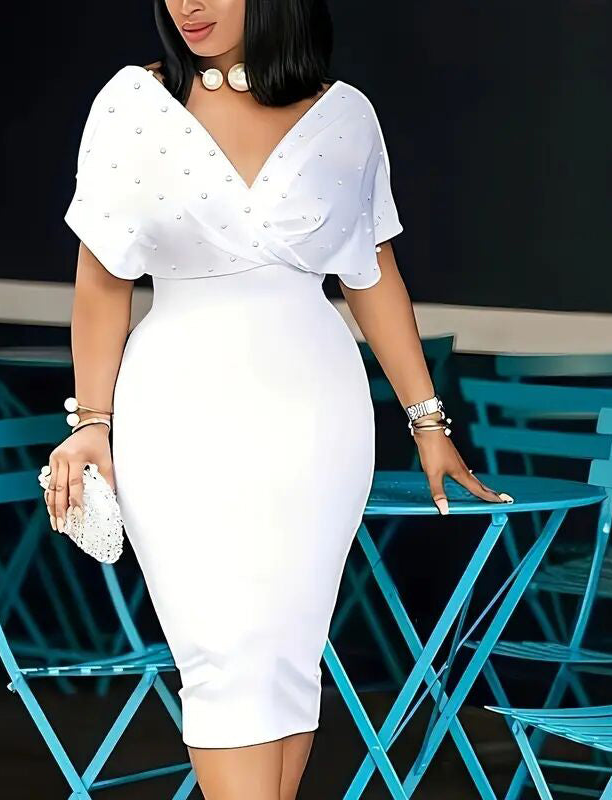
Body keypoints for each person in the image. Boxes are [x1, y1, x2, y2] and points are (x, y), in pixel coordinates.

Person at [45, 1, 514, 797]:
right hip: (177, 414)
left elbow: (373, 275)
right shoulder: (132, 104)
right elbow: (100, 280)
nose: (186, 4)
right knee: (221, 660)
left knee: (287, 659)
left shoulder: (346, 116)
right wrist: (92, 422)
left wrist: (427, 422)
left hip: (315, 420)